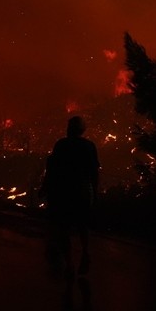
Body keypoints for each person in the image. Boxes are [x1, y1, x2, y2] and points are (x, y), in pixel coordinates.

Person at [42, 115, 100, 278]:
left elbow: (52, 169)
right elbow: (94, 173)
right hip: (83, 191)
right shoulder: (89, 146)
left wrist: (45, 187)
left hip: (65, 192)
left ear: (70, 129)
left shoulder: (61, 145)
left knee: (64, 228)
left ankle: (70, 265)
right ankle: (86, 254)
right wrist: (95, 194)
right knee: (83, 226)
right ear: (82, 130)